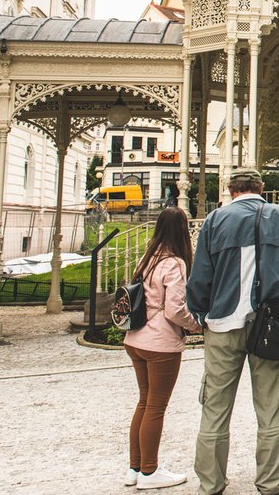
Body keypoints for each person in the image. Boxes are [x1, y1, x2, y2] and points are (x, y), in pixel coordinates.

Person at [186, 168, 279, 495]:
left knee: (214, 405)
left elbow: (200, 275)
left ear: (230, 190)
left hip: (223, 322)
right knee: (271, 404)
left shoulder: (215, 221)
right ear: (261, 187)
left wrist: (201, 314)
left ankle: (211, 483)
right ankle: (270, 482)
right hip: (269, 324)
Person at [123, 207, 201, 490]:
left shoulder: (147, 258)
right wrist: (196, 325)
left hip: (136, 339)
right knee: (156, 406)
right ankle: (149, 470)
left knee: (144, 402)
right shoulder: (174, 263)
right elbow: (175, 309)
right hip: (160, 343)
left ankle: (135, 467)